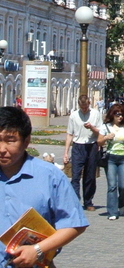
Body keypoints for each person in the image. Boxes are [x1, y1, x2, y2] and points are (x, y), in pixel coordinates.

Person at [0, 106, 89, 267]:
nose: (2, 149)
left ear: (26, 141)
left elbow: (75, 223)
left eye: (10, 140)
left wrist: (37, 249)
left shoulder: (49, 176)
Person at [63, 95, 102, 210]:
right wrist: (66, 152)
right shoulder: (74, 115)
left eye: (86, 107)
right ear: (79, 105)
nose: (84, 109)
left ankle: (88, 201)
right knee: (75, 176)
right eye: (82, 107)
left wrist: (92, 128)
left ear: (89, 104)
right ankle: (75, 201)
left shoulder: (95, 114)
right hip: (78, 147)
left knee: (90, 176)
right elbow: (70, 134)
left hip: (92, 146)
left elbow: (100, 132)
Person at [98, 103, 124, 220]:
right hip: (111, 158)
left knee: (123, 185)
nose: (120, 117)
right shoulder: (105, 127)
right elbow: (99, 142)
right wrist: (105, 138)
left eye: (122, 114)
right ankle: (112, 212)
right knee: (112, 185)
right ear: (112, 115)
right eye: (118, 114)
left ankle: (121, 203)